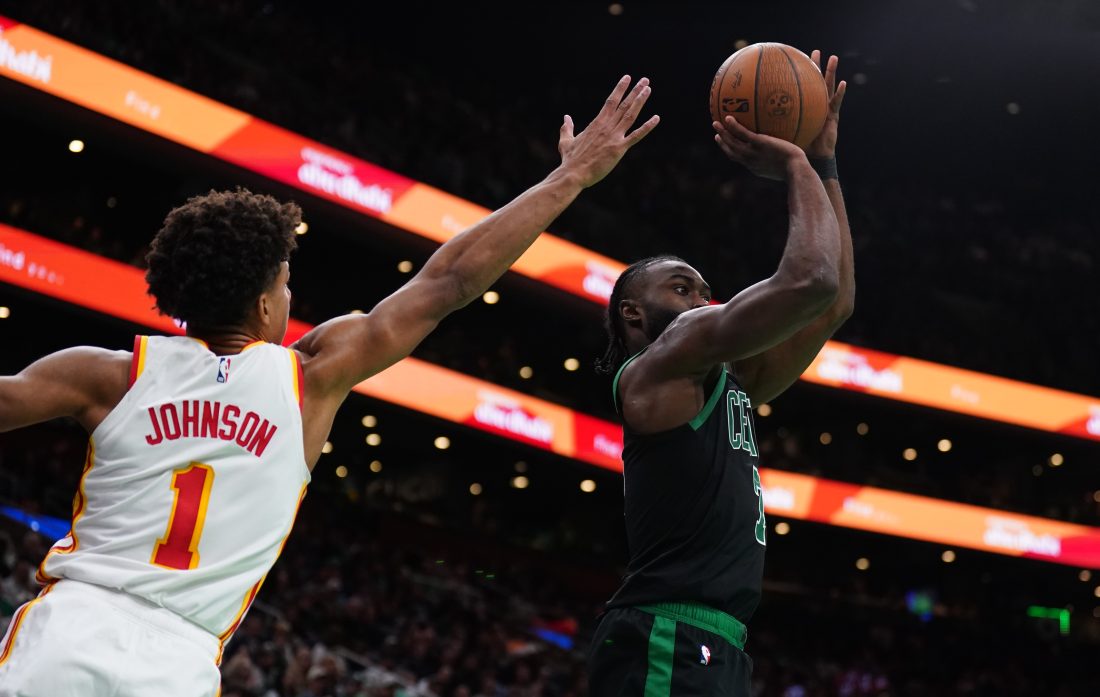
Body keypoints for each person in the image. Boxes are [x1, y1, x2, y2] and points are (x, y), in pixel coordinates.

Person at [0, 75, 659, 696]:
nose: (292, 296)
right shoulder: (309, 377)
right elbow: (449, 281)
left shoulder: (106, 373)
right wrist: (570, 176)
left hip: (65, 631)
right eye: (286, 284)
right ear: (263, 306)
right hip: (177, 660)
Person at [587, 52, 851, 696]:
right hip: (666, 633)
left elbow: (836, 300)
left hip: (716, 641)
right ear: (633, 314)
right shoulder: (659, 364)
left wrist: (823, 164)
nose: (701, 301)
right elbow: (812, 279)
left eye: (707, 290)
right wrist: (793, 163)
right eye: (681, 288)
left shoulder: (725, 383)